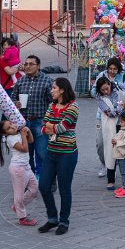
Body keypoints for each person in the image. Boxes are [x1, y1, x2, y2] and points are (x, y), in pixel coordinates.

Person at [37, 77, 79, 235]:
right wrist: (51, 127)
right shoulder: (51, 105)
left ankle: (63, 221)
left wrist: (50, 127)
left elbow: (63, 127)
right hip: (51, 151)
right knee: (44, 186)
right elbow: (42, 127)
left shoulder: (73, 106)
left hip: (67, 154)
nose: (51, 90)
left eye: (54, 88)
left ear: (62, 90)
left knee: (64, 189)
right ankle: (52, 218)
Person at [11, 55, 54, 177]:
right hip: (25, 123)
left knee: (42, 153)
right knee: (26, 153)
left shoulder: (47, 80)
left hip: (40, 121)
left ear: (38, 66)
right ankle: (29, 179)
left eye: (31, 64)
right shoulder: (21, 81)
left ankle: (47, 179)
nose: (27, 66)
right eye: (26, 64)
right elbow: (13, 97)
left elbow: (53, 101)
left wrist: (49, 119)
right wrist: (16, 103)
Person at [0, 119, 38, 226]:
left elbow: (31, 141)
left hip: (26, 166)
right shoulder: (10, 139)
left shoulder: (19, 133)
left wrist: (28, 131)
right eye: (8, 128)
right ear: (5, 133)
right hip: (18, 169)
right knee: (18, 195)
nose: (12, 127)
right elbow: (24, 149)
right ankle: (22, 217)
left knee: (34, 189)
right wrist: (23, 135)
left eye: (11, 124)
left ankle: (17, 207)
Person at [95, 77, 125, 190]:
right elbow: (110, 113)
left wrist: (124, 105)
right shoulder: (99, 97)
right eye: (102, 90)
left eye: (106, 89)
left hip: (124, 123)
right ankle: (110, 180)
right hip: (109, 126)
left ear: (109, 84)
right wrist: (121, 107)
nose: (105, 92)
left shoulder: (119, 87)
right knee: (110, 151)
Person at [110, 113, 125, 198]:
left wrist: (116, 142)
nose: (120, 123)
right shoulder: (123, 130)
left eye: (122, 122)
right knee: (123, 172)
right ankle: (124, 186)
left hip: (124, 156)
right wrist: (114, 140)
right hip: (120, 155)